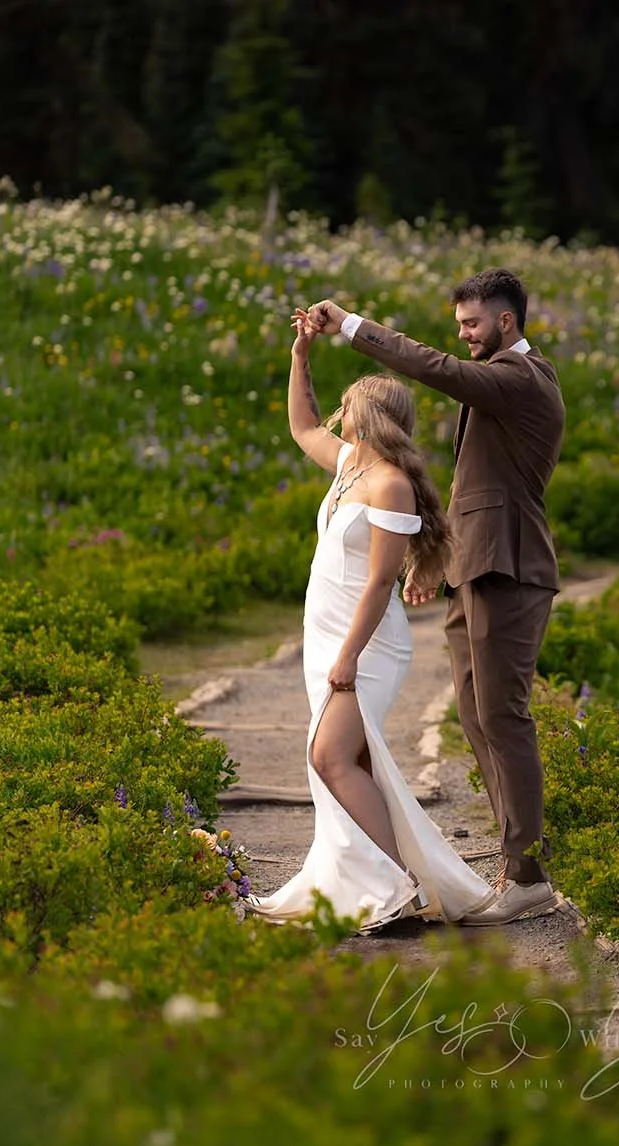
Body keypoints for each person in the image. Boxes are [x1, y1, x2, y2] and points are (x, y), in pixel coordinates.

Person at [301, 268, 566, 926]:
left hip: (511, 567)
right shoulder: (502, 381)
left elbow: (438, 370)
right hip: (478, 566)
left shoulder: (522, 378)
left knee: (503, 715)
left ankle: (527, 874)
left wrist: (354, 326)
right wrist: (437, 556)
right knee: (477, 715)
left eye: (472, 325)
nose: (464, 337)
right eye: (459, 327)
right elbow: (475, 492)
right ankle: (516, 862)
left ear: (506, 322)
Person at [241, 311, 494, 932]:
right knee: (344, 761)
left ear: (368, 415)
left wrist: (350, 656)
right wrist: (300, 357)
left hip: (368, 643)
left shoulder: (390, 485)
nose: (337, 417)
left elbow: (381, 580)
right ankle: (381, 883)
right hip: (323, 635)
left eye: (346, 408)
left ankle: (396, 886)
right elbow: (302, 425)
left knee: (330, 757)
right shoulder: (350, 464)